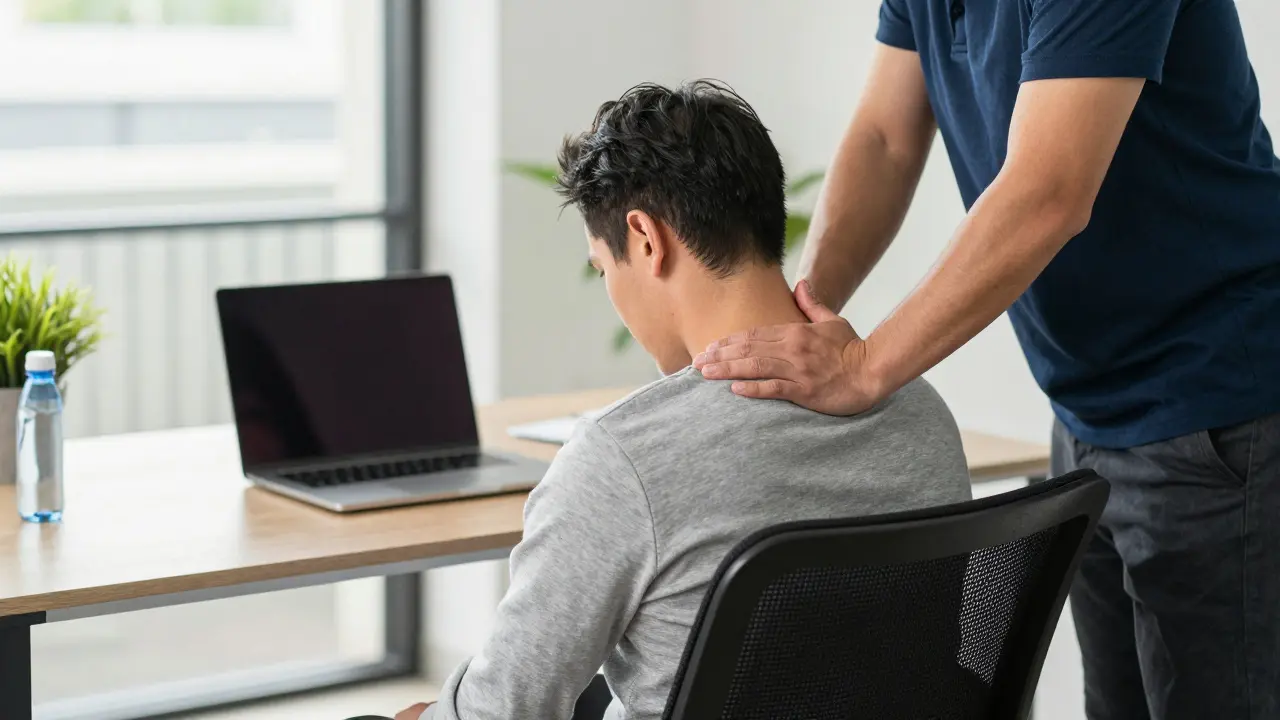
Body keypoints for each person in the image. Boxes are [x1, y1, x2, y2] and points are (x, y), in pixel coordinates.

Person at [692, 3, 1280, 719]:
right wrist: (794, 320)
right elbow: (885, 139)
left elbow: (1049, 191)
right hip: (1086, 412)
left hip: (1221, 407)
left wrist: (864, 365)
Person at [390, 80, 972, 720]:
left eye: (601, 266)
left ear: (644, 238)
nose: (610, 287)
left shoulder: (623, 462)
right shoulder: (919, 410)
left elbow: (497, 714)